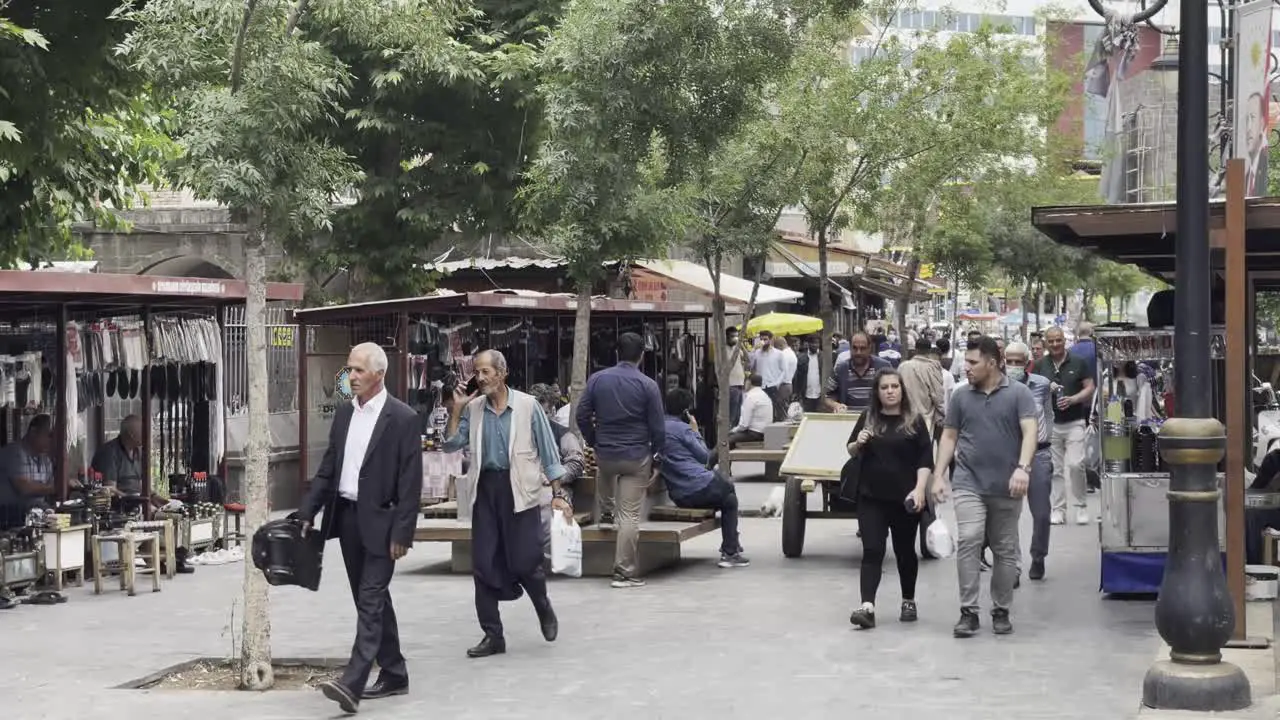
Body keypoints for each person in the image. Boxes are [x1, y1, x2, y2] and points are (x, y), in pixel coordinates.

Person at [298, 342, 423, 713]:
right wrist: (307, 511)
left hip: (384, 523)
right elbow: (328, 468)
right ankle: (396, 671)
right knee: (370, 598)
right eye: (348, 369)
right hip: (349, 518)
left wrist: (403, 534)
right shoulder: (343, 415)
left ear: (379, 374)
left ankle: (352, 682)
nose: (350, 376)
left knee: (370, 600)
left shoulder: (402, 418)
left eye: (358, 370)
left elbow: (410, 482)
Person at [445, 350, 567, 656]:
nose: (480, 378)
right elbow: (451, 444)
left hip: (520, 490)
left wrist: (557, 493)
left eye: (486, 371)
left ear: (502, 373)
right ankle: (493, 635)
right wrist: (456, 411)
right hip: (486, 490)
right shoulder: (473, 408)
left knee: (526, 561)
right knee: (482, 564)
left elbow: (549, 452)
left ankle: (542, 605)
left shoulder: (528, 406)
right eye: (478, 372)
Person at [933, 337, 1039, 638]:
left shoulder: (1019, 394)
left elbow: (1029, 432)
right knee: (969, 538)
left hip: (1008, 484)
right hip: (968, 481)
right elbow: (949, 437)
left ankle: (1001, 609)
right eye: (965, 361)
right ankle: (968, 612)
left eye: (972, 362)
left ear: (992, 363)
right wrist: (939, 474)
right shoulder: (960, 396)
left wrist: (1023, 468)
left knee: (1005, 548)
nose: (965, 367)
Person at [576, 332, 665, 589]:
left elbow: (582, 415)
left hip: (606, 452)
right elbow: (658, 427)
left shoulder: (597, 379)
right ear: (642, 355)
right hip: (636, 455)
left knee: (605, 471)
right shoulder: (648, 385)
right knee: (629, 516)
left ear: (617, 353)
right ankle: (624, 572)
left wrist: (594, 440)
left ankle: (605, 511)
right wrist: (658, 457)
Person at [846, 369, 933, 630]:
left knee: (905, 552)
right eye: (884, 387)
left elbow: (925, 460)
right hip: (871, 497)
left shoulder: (915, 421)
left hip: (904, 499)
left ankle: (908, 599)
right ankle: (867, 607)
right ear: (877, 392)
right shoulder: (869, 418)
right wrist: (858, 442)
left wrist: (919, 490)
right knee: (872, 550)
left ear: (902, 390)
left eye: (895, 386)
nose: (890, 391)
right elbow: (850, 449)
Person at [659, 388, 749, 568]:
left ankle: (731, 548)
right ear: (686, 412)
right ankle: (730, 550)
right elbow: (705, 457)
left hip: (679, 495)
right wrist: (695, 431)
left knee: (729, 497)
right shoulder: (683, 429)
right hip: (698, 486)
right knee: (729, 491)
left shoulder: (658, 427)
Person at [1032, 326, 1096, 526]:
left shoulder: (1078, 362)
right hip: (1050, 424)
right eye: (1050, 341)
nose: (1055, 344)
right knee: (1055, 469)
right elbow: (1030, 388)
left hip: (1075, 421)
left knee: (1077, 464)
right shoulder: (1040, 364)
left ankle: (1081, 506)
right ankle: (1058, 509)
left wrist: (1073, 399)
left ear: (1064, 340)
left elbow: (1090, 387)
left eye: (1058, 340)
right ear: (1045, 343)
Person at [1004, 342, 1055, 581]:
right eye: (1009, 361)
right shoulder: (999, 387)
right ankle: (1012, 566)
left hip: (1039, 454)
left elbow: (1048, 414)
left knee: (1042, 513)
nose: (1013, 366)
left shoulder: (1041, 384)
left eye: (1018, 361)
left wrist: (1046, 439)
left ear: (1027, 362)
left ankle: (1038, 555)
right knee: (1007, 514)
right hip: (1010, 455)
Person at [530, 384, 588, 561]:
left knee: (546, 508)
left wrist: (554, 477)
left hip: (554, 489)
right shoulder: (519, 432)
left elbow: (576, 461)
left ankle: (545, 554)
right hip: (526, 486)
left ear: (552, 411)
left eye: (544, 412)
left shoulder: (562, 434)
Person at [0, 414, 55, 527]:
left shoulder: (46, 460)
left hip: (36, 518)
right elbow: (24, 487)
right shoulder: (14, 452)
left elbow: (50, 488)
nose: (52, 440)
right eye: (49, 435)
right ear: (33, 432)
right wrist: (55, 488)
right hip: (9, 520)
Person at [824, 332, 892, 413]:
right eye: (854, 348)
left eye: (862, 348)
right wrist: (836, 405)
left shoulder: (883, 367)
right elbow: (827, 397)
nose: (858, 352)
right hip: (849, 422)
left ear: (869, 348)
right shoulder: (841, 369)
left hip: (876, 422)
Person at [897, 338, 946, 435]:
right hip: (924, 418)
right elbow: (937, 395)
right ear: (929, 351)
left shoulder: (903, 366)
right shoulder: (932, 367)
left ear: (915, 350)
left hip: (903, 415)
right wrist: (943, 413)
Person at [751, 331, 787, 420]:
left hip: (772, 386)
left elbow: (784, 370)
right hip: (760, 387)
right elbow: (751, 366)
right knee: (761, 411)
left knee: (775, 410)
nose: (763, 341)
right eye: (762, 339)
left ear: (771, 340)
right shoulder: (756, 353)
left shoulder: (779, 354)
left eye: (765, 339)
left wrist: (777, 383)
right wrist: (753, 350)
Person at [794, 334, 823, 413]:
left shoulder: (822, 357)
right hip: (806, 394)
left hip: (820, 394)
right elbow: (797, 377)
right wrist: (797, 393)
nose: (815, 345)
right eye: (813, 343)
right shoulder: (801, 357)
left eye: (817, 343)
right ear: (808, 344)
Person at [725, 326, 747, 427]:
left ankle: (734, 431)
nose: (734, 338)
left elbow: (747, 358)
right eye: (732, 336)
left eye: (736, 336)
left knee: (739, 412)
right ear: (727, 337)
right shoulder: (723, 349)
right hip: (731, 384)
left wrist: (741, 345)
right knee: (732, 413)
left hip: (740, 383)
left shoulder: (737, 348)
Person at [775, 335, 798, 419]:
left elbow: (781, 371)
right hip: (789, 383)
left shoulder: (784, 355)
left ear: (780, 345)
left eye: (776, 347)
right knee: (784, 407)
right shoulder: (792, 354)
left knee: (781, 410)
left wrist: (776, 385)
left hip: (783, 385)